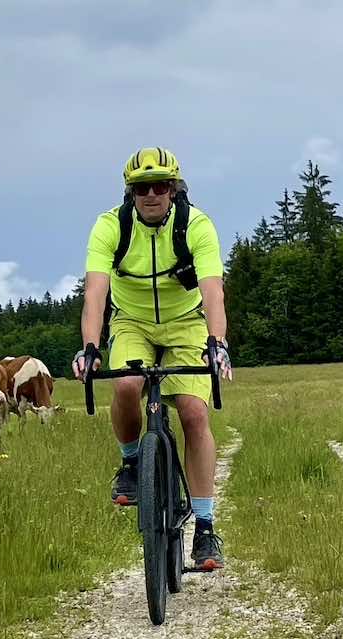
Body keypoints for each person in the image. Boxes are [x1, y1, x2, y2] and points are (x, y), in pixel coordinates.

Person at [73, 147, 233, 571]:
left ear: (174, 189)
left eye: (160, 186)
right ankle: (130, 463)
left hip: (186, 323)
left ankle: (204, 528)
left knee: (195, 414)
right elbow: (95, 292)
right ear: (131, 193)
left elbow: (213, 289)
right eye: (142, 188)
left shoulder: (196, 224)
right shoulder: (111, 226)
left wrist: (217, 342)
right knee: (126, 384)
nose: (151, 195)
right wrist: (90, 347)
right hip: (133, 323)